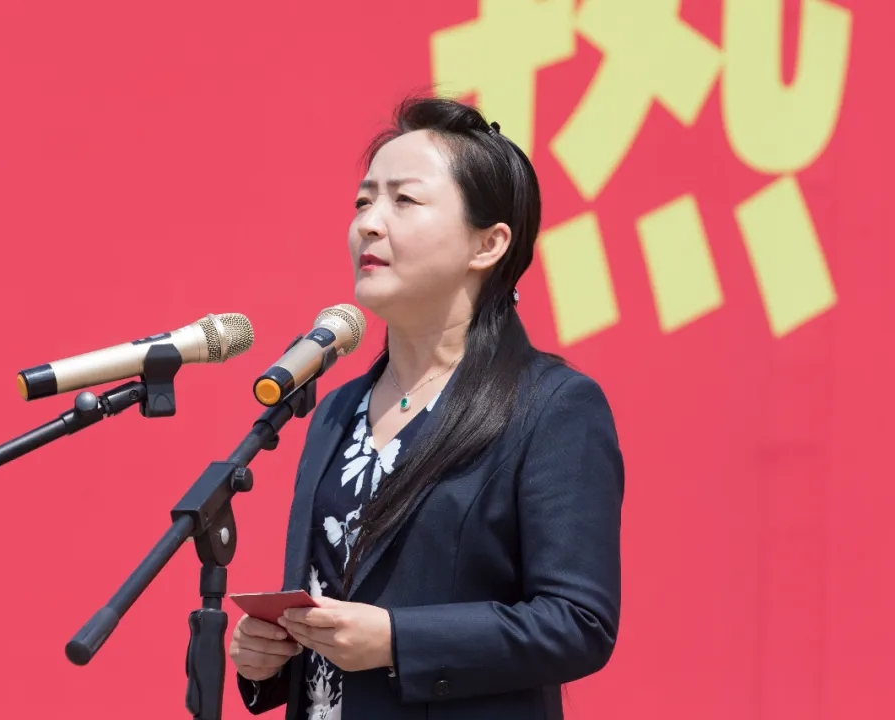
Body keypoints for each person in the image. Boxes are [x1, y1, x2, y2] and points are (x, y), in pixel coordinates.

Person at [227, 95, 625, 720]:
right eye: (363, 201)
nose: (369, 223)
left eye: (404, 200)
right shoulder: (337, 408)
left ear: (488, 244)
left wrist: (398, 641)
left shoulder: (551, 406)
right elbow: (330, 596)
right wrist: (268, 658)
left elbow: (577, 622)